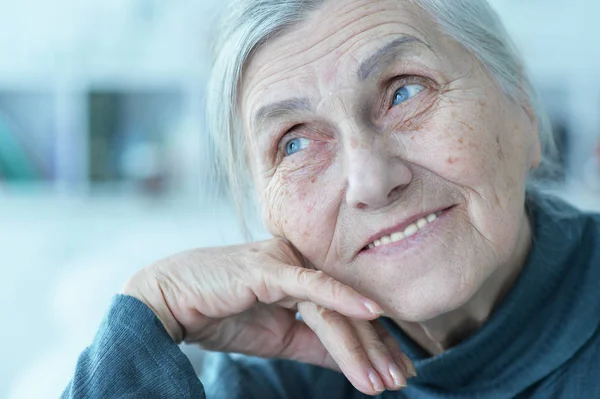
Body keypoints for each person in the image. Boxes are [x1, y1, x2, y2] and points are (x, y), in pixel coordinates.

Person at [62, 0, 600, 397]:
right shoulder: (276, 379)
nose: (370, 181)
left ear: (522, 105)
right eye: (294, 142)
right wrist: (150, 315)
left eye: (405, 90)